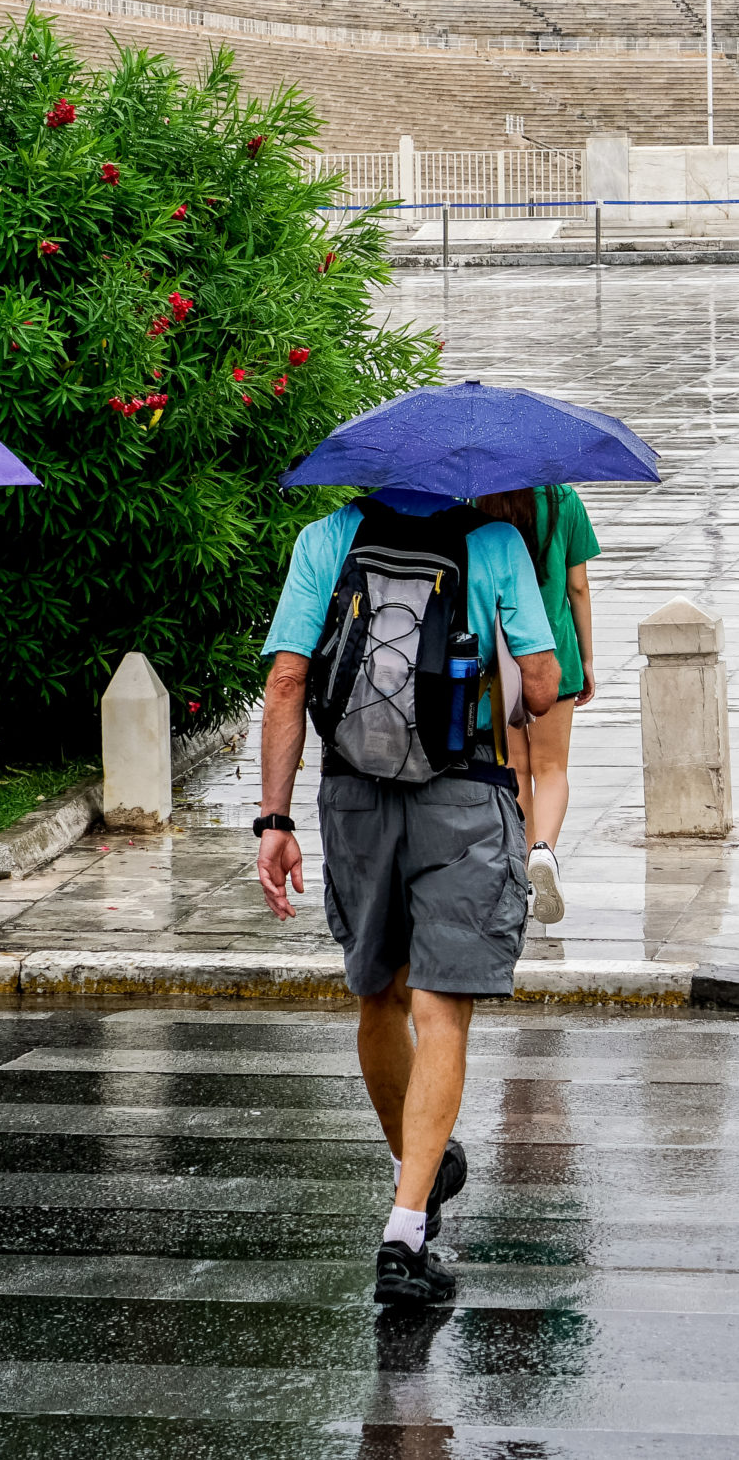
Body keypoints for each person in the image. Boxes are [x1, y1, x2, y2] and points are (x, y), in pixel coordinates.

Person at [254, 486, 559, 1305]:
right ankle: (406, 1228)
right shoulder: (495, 542)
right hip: (464, 795)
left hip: (353, 796)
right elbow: (540, 683)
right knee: (441, 1009)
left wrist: (274, 819)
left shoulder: (327, 536)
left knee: (379, 995)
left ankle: (415, 1166)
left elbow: (288, 682)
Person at [472, 484, 600, 923]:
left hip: (501, 655)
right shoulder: (564, 501)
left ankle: (522, 869)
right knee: (553, 769)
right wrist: (586, 659)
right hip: (554, 654)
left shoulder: (479, 502)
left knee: (516, 768)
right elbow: (578, 587)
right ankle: (543, 851)